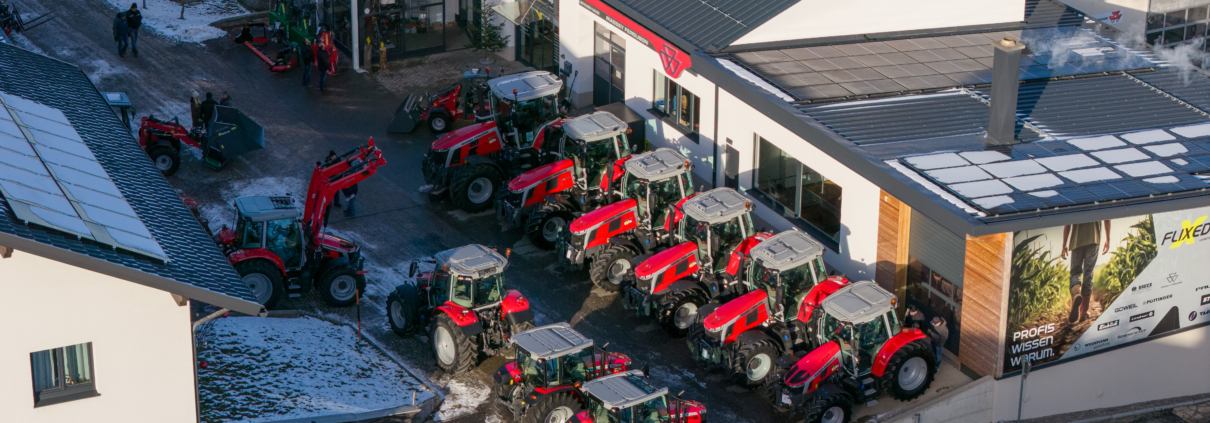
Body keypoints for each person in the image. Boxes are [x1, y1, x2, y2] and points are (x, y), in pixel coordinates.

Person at [1062, 220, 1111, 323]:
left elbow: (1067, 224)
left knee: (1075, 273)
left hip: (1076, 242)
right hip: (1093, 240)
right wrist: (1108, 240)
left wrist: (1064, 246)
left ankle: (1076, 295)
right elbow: (1107, 218)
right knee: (1088, 274)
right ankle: (1084, 312)